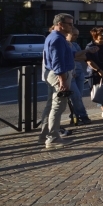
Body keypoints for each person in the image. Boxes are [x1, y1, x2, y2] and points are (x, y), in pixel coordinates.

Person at [39, 14, 78, 149]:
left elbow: (63, 57)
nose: (71, 26)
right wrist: (62, 80)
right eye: (69, 24)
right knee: (58, 106)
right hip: (58, 75)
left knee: (51, 105)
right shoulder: (57, 39)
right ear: (60, 24)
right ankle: (53, 138)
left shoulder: (54, 37)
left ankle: (45, 135)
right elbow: (57, 61)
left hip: (54, 74)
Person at [66, 28, 91, 125]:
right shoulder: (65, 44)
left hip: (79, 71)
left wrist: (75, 56)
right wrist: (75, 56)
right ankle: (83, 115)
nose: (76, 37)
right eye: (74, 35)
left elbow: (84, 57)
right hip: (70, 73)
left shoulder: (75, 45)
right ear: (68, 34)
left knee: (79, 96)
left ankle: (75, 117)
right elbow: (69, 57)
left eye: (77, 35)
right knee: (75, 96)